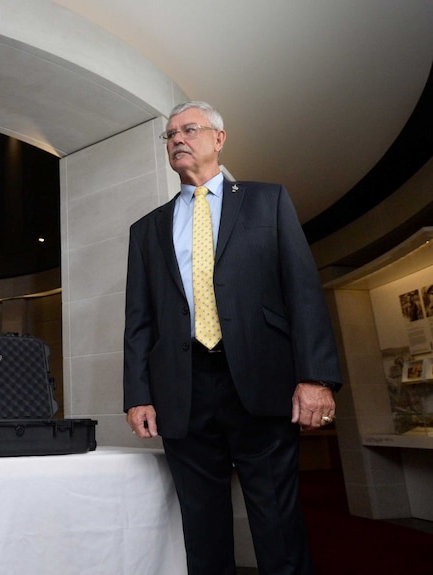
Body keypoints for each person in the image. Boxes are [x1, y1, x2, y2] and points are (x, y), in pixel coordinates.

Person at [124, 101, 341, 575]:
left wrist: (316, 377)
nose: (177, 139)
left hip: (261, 384)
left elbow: (302, 292)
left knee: (278, 524)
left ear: (219, 139)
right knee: (202, 530)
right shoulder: (146, 230)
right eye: (170, 135)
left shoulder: (268, 201)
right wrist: (137, 395)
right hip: (182, 391)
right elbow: (139, 321)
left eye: (189, 130)